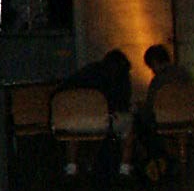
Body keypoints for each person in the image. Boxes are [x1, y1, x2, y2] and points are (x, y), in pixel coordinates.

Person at [53, 47, 134, 178]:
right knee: (129, 128)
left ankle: (71, 167)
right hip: (107, 121)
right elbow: (122, 103)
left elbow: (62, 90)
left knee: (72, 131)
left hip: (80, 120)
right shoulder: (121, 78)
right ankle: (124, 168)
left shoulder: (86, 73)